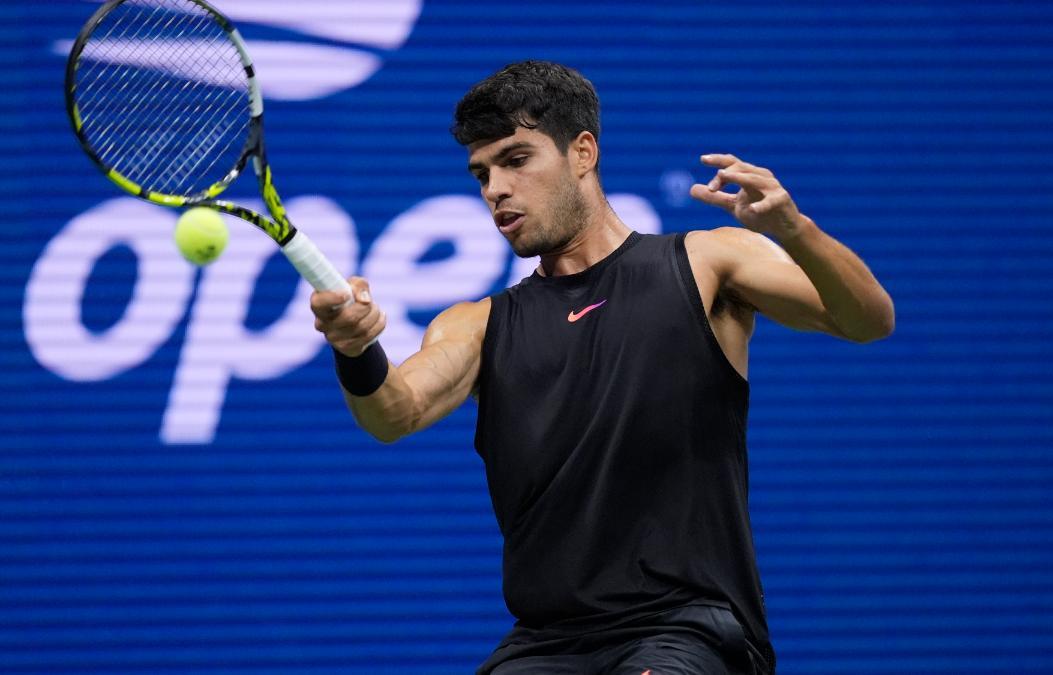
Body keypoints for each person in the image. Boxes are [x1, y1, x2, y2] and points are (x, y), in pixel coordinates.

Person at [310, 61, 894, 674]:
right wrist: (356, 349)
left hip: (688, 629)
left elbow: (866, 320)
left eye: (516, 160)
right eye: (482, 174)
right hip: (545, 645)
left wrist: (793, 230)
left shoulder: (708, 262)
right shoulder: (477, 324)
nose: (495, 190)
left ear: (582, 152)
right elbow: (395, 412)